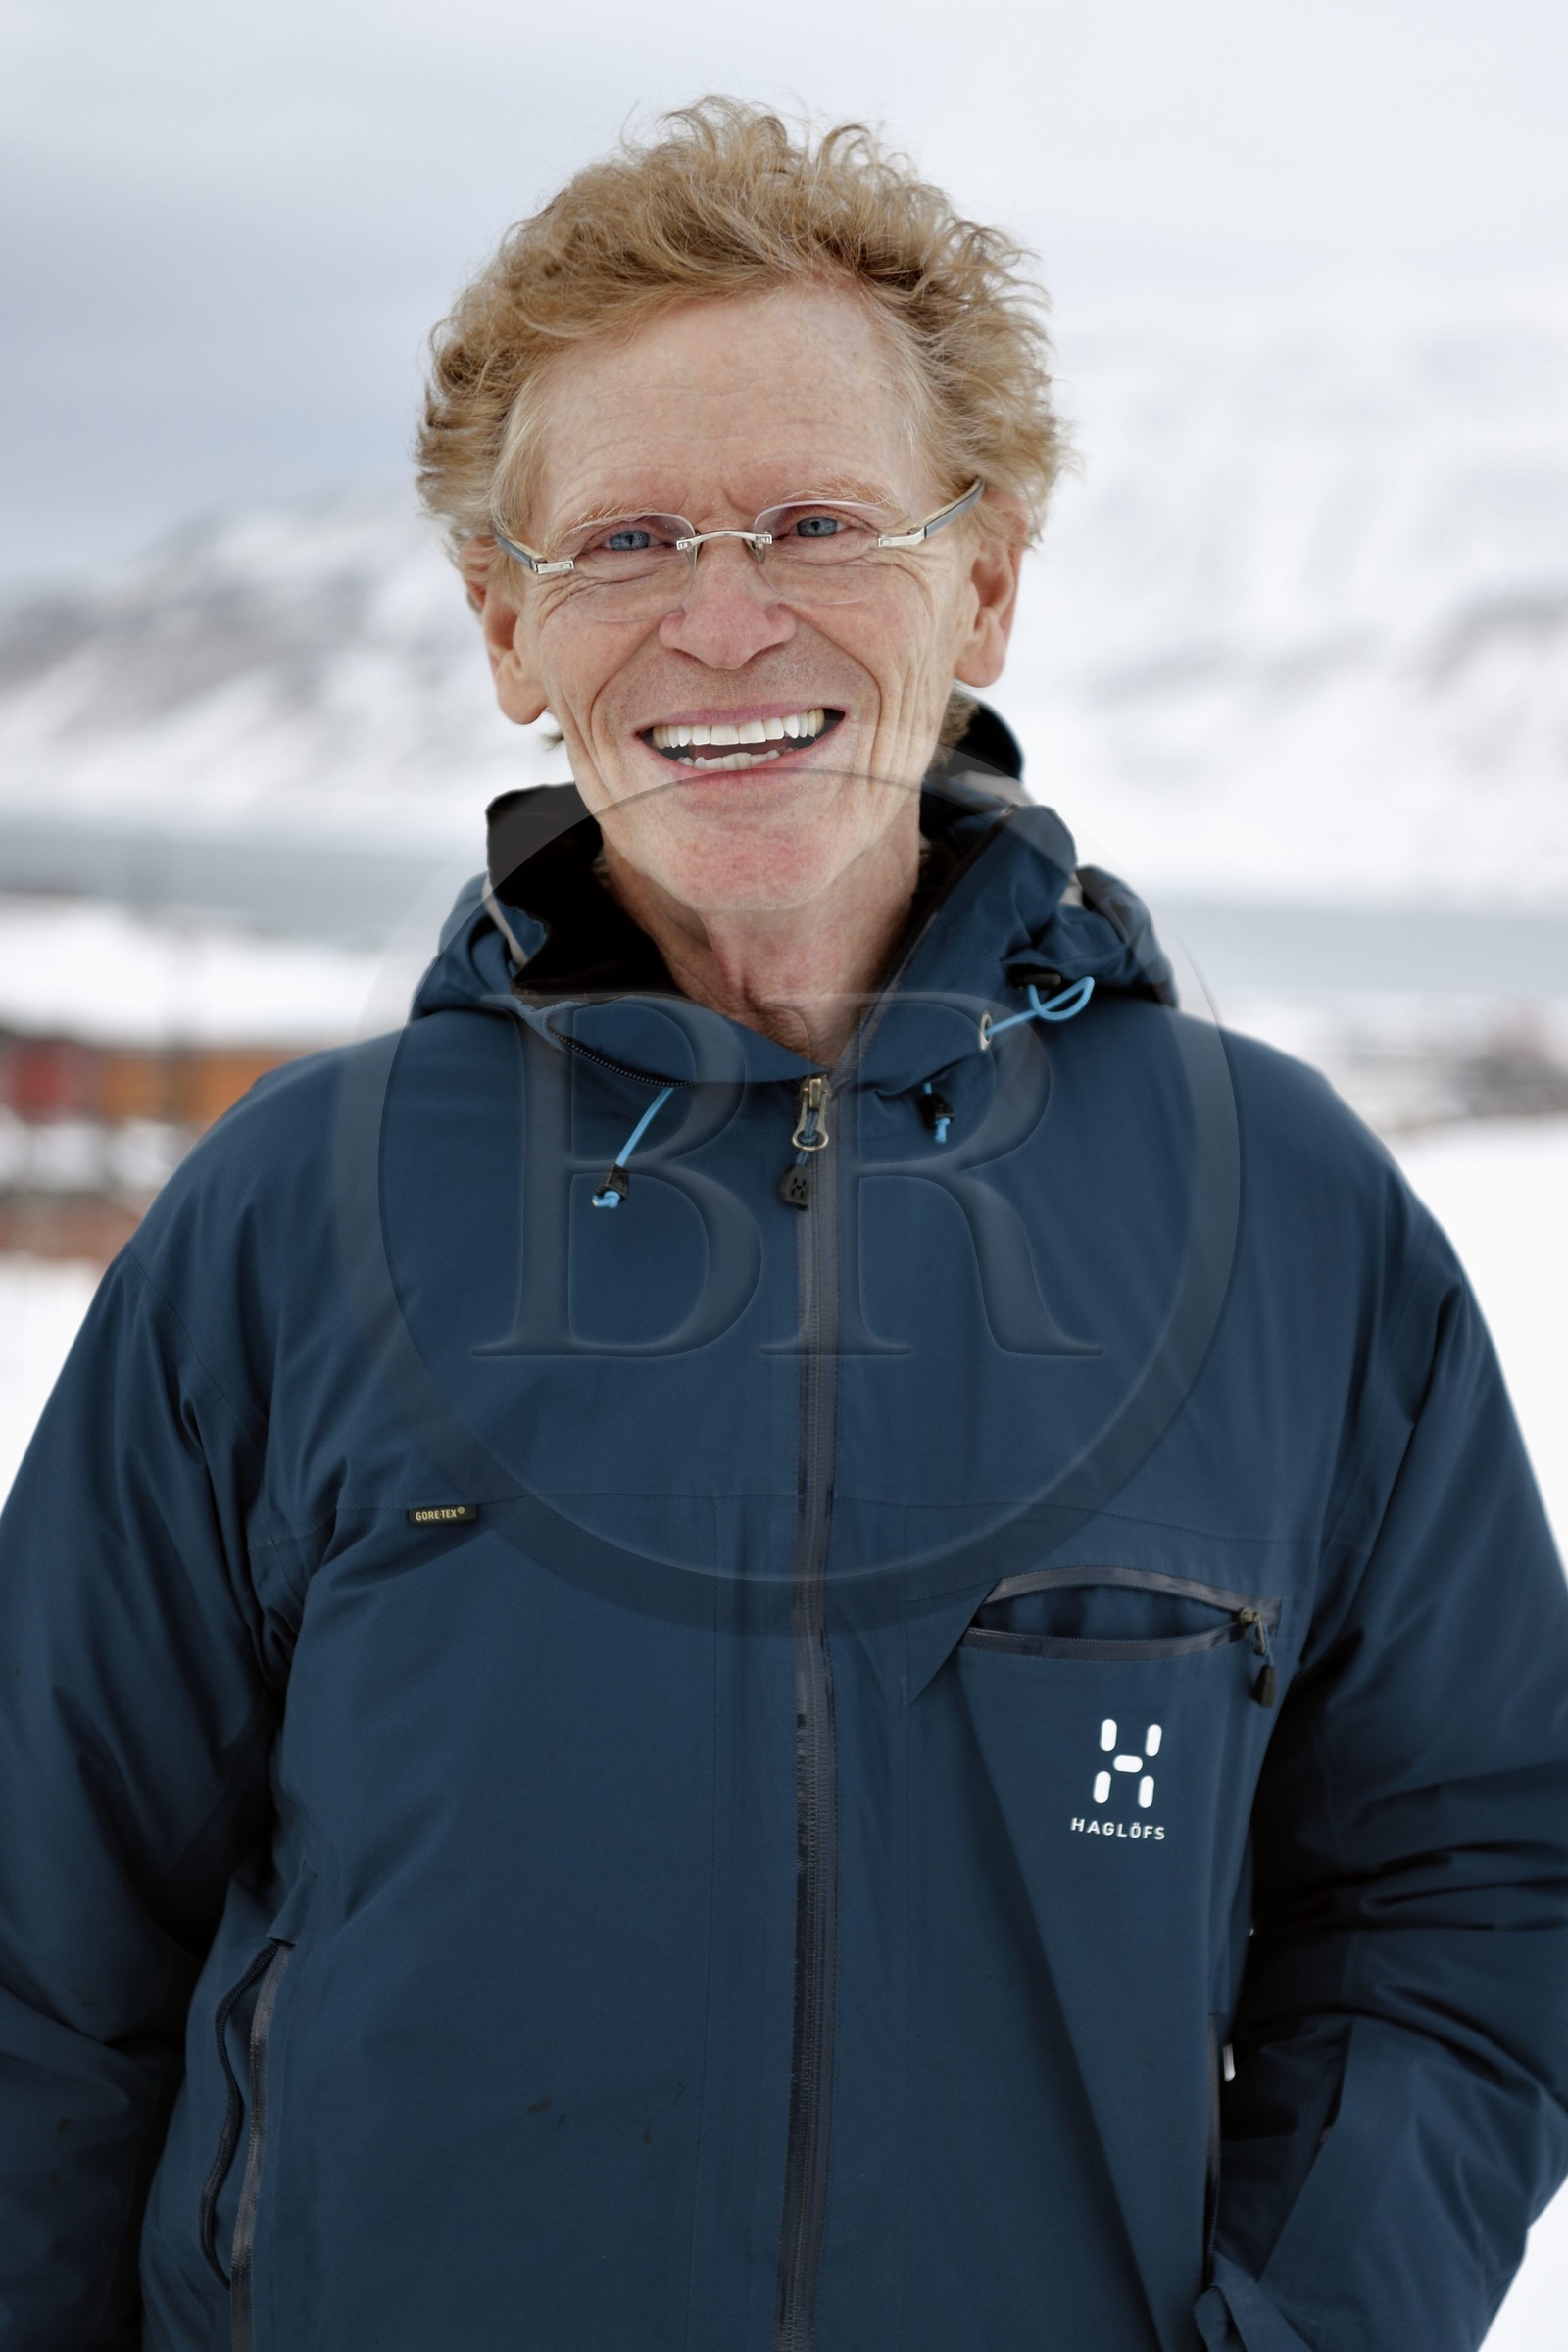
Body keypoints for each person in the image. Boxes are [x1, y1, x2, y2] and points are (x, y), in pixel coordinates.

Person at [2, 98, 1565, 2352]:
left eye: (813, 521)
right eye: (625, 540)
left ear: (986, 579)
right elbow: (41, 1966)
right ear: (506, 629)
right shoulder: (287, 1218)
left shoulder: (1285, 1216)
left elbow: (1467, 1890)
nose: (721, 625)